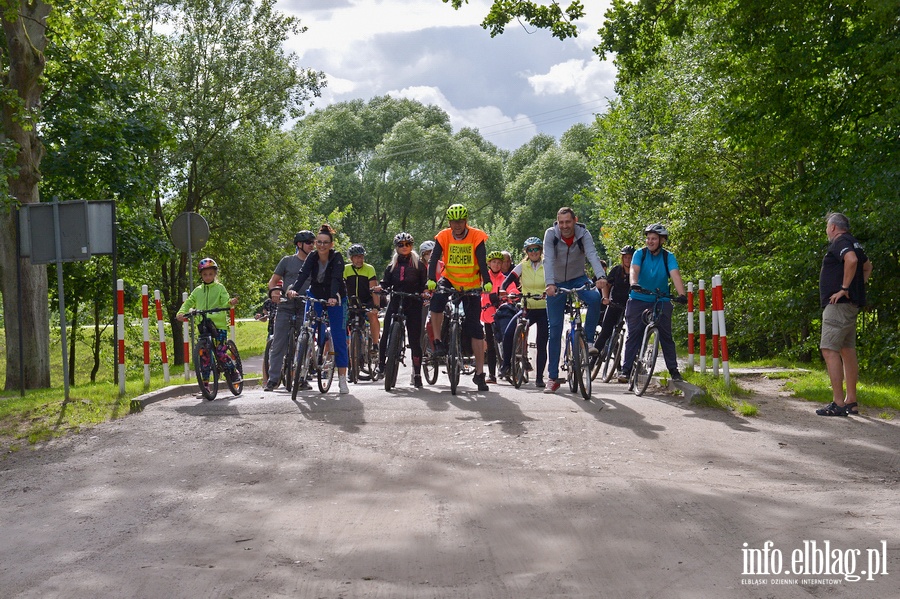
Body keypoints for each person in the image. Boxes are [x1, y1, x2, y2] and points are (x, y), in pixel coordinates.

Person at [426, 203, 493, 392]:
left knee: (475, 328)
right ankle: (438, 341)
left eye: (460, 221)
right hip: (450, 279)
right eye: (454, 221)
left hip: (471, 284)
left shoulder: (476, 236)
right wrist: (431, 279)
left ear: (466, 221)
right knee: (437, 301)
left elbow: (481, 260)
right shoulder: (443, 236)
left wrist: (486, 281)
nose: (457, 225)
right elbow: (434, 259)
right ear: (450, 222)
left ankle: (480, 374)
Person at [542, 207, 607, 394]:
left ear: (575, 220)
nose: (564, 226)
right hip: (556, 282)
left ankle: (587, 342)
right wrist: (549, 284)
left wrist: (601, 276)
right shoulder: (551, 235)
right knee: (554, 330)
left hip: (578, 278)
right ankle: (552, 377)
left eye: (568, 222)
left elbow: (593, 255)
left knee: (595, 297)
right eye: (561, 222)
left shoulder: (583, 233)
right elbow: (548, 260)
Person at [815, 212, 872, 417]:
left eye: (826, 228)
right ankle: (851, 401)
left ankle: (838, 403)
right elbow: (867, 266)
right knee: (847, 351)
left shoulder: (840, 241)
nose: (827, 231)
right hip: (850, 306)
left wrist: (845, 288)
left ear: (832, 228)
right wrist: (856, 288)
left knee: (829, 350)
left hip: (838, 306)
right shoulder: (854, 242)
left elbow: (851, 260)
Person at [619, 224, 687, 384]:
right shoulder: (640, 254)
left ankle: (673, 371)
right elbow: (634, 270)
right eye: (648, 238)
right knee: (634, 333)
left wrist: (682, 294)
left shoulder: (667, 257)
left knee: (666, 336)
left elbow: (675, 275)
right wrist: (634, 283)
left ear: (661, 240)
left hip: (660, 299)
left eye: (654, 238)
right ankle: (626, 370)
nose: (650, 241)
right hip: (639, 298)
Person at [286, 224, 350, 394]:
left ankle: (342, 378)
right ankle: (302, 367)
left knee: (338, 336)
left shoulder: (337, 257)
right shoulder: (312, 256)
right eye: (319, 242)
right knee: (307, 329)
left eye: (325, 242)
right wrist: (293, 289)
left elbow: (336, 278)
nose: (321, 245)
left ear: (331, 244)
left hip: (335, 298)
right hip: (315, 295)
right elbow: (303, 274)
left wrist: (332, 296)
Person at [176, 258, 240, 391]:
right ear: (201, 275)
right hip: (203, 326)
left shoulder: (219, 288)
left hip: (218, 326)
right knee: (204, 358)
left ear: (215, 274)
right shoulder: (198, 290)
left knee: (221, 352)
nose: (208, 277)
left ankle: (234, 372)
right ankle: (205, 386)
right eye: (205, 274)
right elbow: (188, 302)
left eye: (210, 274)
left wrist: (230, 303)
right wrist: (181, 312)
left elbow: (225, 302)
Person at [375, 232, 428, 387]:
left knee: (414, 338)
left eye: (407, 244)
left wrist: (424, 292)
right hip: (396, 299)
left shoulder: (418, 265)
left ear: (412, 246)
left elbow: (424, 283)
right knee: (386, 333)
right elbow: (385, 282)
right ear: (396, 247)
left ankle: (417, 373)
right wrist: (380, 287)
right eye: (401, 245)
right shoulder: (392, 266)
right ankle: (381, 365)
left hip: (413, 302)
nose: (404, 247)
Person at [263, 230, 314, 392]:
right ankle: (273, 379)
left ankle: (301, 378)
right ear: (299, 245)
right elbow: (273, 281)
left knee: (305, 342)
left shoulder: (315, 263)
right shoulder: (287, 261)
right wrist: (273, 292)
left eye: (313, 243)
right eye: (309, 243)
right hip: (285, 305)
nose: (312, 246)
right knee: (279, 342)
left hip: (305, 306)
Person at [498, 236, 549, 387]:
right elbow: (508, 280)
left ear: (540, 250)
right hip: (527, 307)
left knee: (541, 342)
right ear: (526, 251)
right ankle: (506, 365)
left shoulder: (547, 264)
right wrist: (503, 290)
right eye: (530, 250)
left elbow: (555, 280)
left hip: (544, 309)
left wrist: (550, 291)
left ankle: (539, 378)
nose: (533, 252)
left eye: (536, 249)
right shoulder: (523, 265)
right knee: (509, 333)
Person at [593, 246, 634, 364]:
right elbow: (607, 285)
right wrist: (605, 298)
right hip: (614, 304)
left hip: (630, 306)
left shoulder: (636, 271)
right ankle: (593, 359)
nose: (628, 260)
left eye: (630, 258)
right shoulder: (616, 270)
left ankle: (630, 363)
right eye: (625, 257)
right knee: (606, 331)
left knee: (633, 334)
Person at [481, 250, 513, 383]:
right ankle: (492, 374)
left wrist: (510, 295)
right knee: (490, 345)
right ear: (489, 263)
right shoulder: (483, 278)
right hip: (487, 315)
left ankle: (507, 367)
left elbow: (512, 290)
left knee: (505, 340)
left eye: (499, 262)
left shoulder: (504, 279)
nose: (496, 265)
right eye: (494, 262)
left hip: (501, 315)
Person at [343, 243, 381, 351]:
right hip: (350, 301)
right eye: (356, 257)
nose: (359, 259)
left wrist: (376, 306)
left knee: (372, 316)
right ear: (351, 258)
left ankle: (375, 345)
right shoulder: (345, 269)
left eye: (361, 256)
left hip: (366, 300)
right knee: (342, 322)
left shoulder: (369, 269)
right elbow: (341, 287)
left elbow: (374, 289)